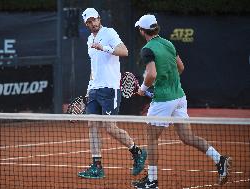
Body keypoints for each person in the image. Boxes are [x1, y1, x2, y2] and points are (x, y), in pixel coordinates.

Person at [132, 14, 231, 189]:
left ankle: (152, 181)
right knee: (187, 137)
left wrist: (143, 89)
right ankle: (220, 159)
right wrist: (169, 82)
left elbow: (152, 74)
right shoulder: (168, 44)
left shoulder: (147, 49)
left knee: (151, 138)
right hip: (179, 96)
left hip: (163, 100)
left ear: (142, 30)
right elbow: (181, 67)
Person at [77, 8, 147, 179]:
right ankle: (97, 166)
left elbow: (124, 51)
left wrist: (104, 47)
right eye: (89, 22)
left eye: (94, 20)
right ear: (86, 24)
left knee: (110, 127)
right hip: (94, 89)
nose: (92, 23)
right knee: (92, 125)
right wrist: (88, 89)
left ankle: (137, 151)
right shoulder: (88, 39)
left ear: (99, 19)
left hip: (110, 88)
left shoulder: (109, 33)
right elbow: (94, 68)